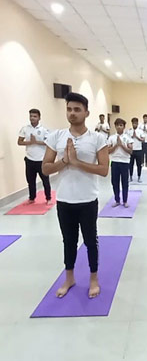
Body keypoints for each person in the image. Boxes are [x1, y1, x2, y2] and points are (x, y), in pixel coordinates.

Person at [42, 92, 109, 299]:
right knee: (68, 241)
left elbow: (103, 170)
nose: (72, 113)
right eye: (69, 109)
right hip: (64, 200)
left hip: (87, 200)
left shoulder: (98, 139)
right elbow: (45, 168)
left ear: (86, 113)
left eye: (77, 110)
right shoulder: (56, 137)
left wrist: (77, 162)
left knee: (90, 241)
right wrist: (65, 161)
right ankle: (69, 277)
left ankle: (93, 278)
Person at [18, 108, 52, 204]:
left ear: (39, 118)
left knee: (45, 180)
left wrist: (36, 142)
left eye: (35, 116)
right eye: (31, 116)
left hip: (41, 160)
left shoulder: (44, 129)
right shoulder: (25, 128)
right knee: (30, 181)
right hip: (29, 159)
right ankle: (32, 198)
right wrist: (29, 142)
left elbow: (48, 142)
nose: (32, 118)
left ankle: (48, 198)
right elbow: (19, 142)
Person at [108, 118, 133, 208]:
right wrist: (116, 145)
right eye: (117, 125)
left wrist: (121, 145)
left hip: (125, 162)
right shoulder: (111, 138)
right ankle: (117, 200)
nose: (119, 127)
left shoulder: (128, 138)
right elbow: (108, 151)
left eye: (121, 125)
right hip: (114, 162)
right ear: (115, 126)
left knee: (125, 182)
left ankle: (125, 200)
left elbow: (130, 151)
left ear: (124, 127)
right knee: (115, 182)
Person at [127, 117, 145, 182]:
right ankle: (130, 176)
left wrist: (137, 137)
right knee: (130, 164)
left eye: (136, 123)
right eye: (133, 123)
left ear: (137, 123)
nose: (134, 124)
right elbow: (126, 140)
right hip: (131, 150)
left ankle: (139, 177)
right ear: (132, 123)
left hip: (138, 150)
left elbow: (143, 140)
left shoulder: (140, 131)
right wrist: (131, 137)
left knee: (139, 165)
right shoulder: (129, 131)